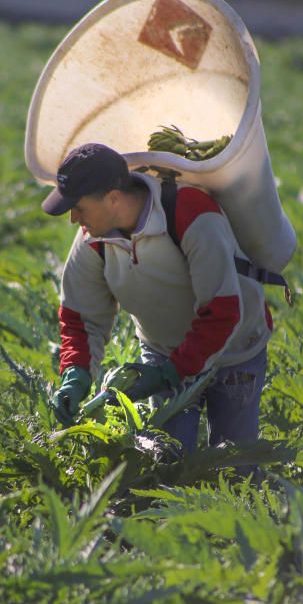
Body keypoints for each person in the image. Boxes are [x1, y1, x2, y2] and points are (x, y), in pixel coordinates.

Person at [43, 142, 275, 457]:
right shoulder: (92, 237)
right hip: (163, 351)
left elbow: (222, 313)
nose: (73, 219)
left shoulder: (192, 215)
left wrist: (169, 374)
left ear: (113, 198)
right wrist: (76, 373)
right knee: (167, 463)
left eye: (79, 207)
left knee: (235, 465)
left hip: (235, 354)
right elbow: (79, 317)